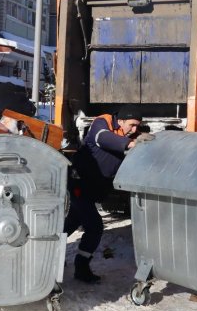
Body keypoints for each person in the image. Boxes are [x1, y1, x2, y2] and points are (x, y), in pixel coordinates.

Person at [65, 105, 152, 283]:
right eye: (132, 125)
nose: (134, 129)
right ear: (120, 121)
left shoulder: (128, 133)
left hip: (94, 188)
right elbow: (103, 138)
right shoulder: (102, 123)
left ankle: (45, 253)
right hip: (79, 183)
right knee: (95, 227)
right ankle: (81, 267)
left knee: (70, 224)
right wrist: (131, 144)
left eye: (137, 126)